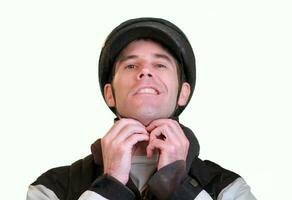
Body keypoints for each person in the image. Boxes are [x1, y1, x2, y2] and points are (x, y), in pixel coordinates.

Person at [27, 18, 256, 200]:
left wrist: (178, 188)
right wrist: (110, 186)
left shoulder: (229, 188)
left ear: (183, 93)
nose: (145, 72)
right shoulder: (51, 189)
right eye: (131, 65)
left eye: (159, 64)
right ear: (110, 94)